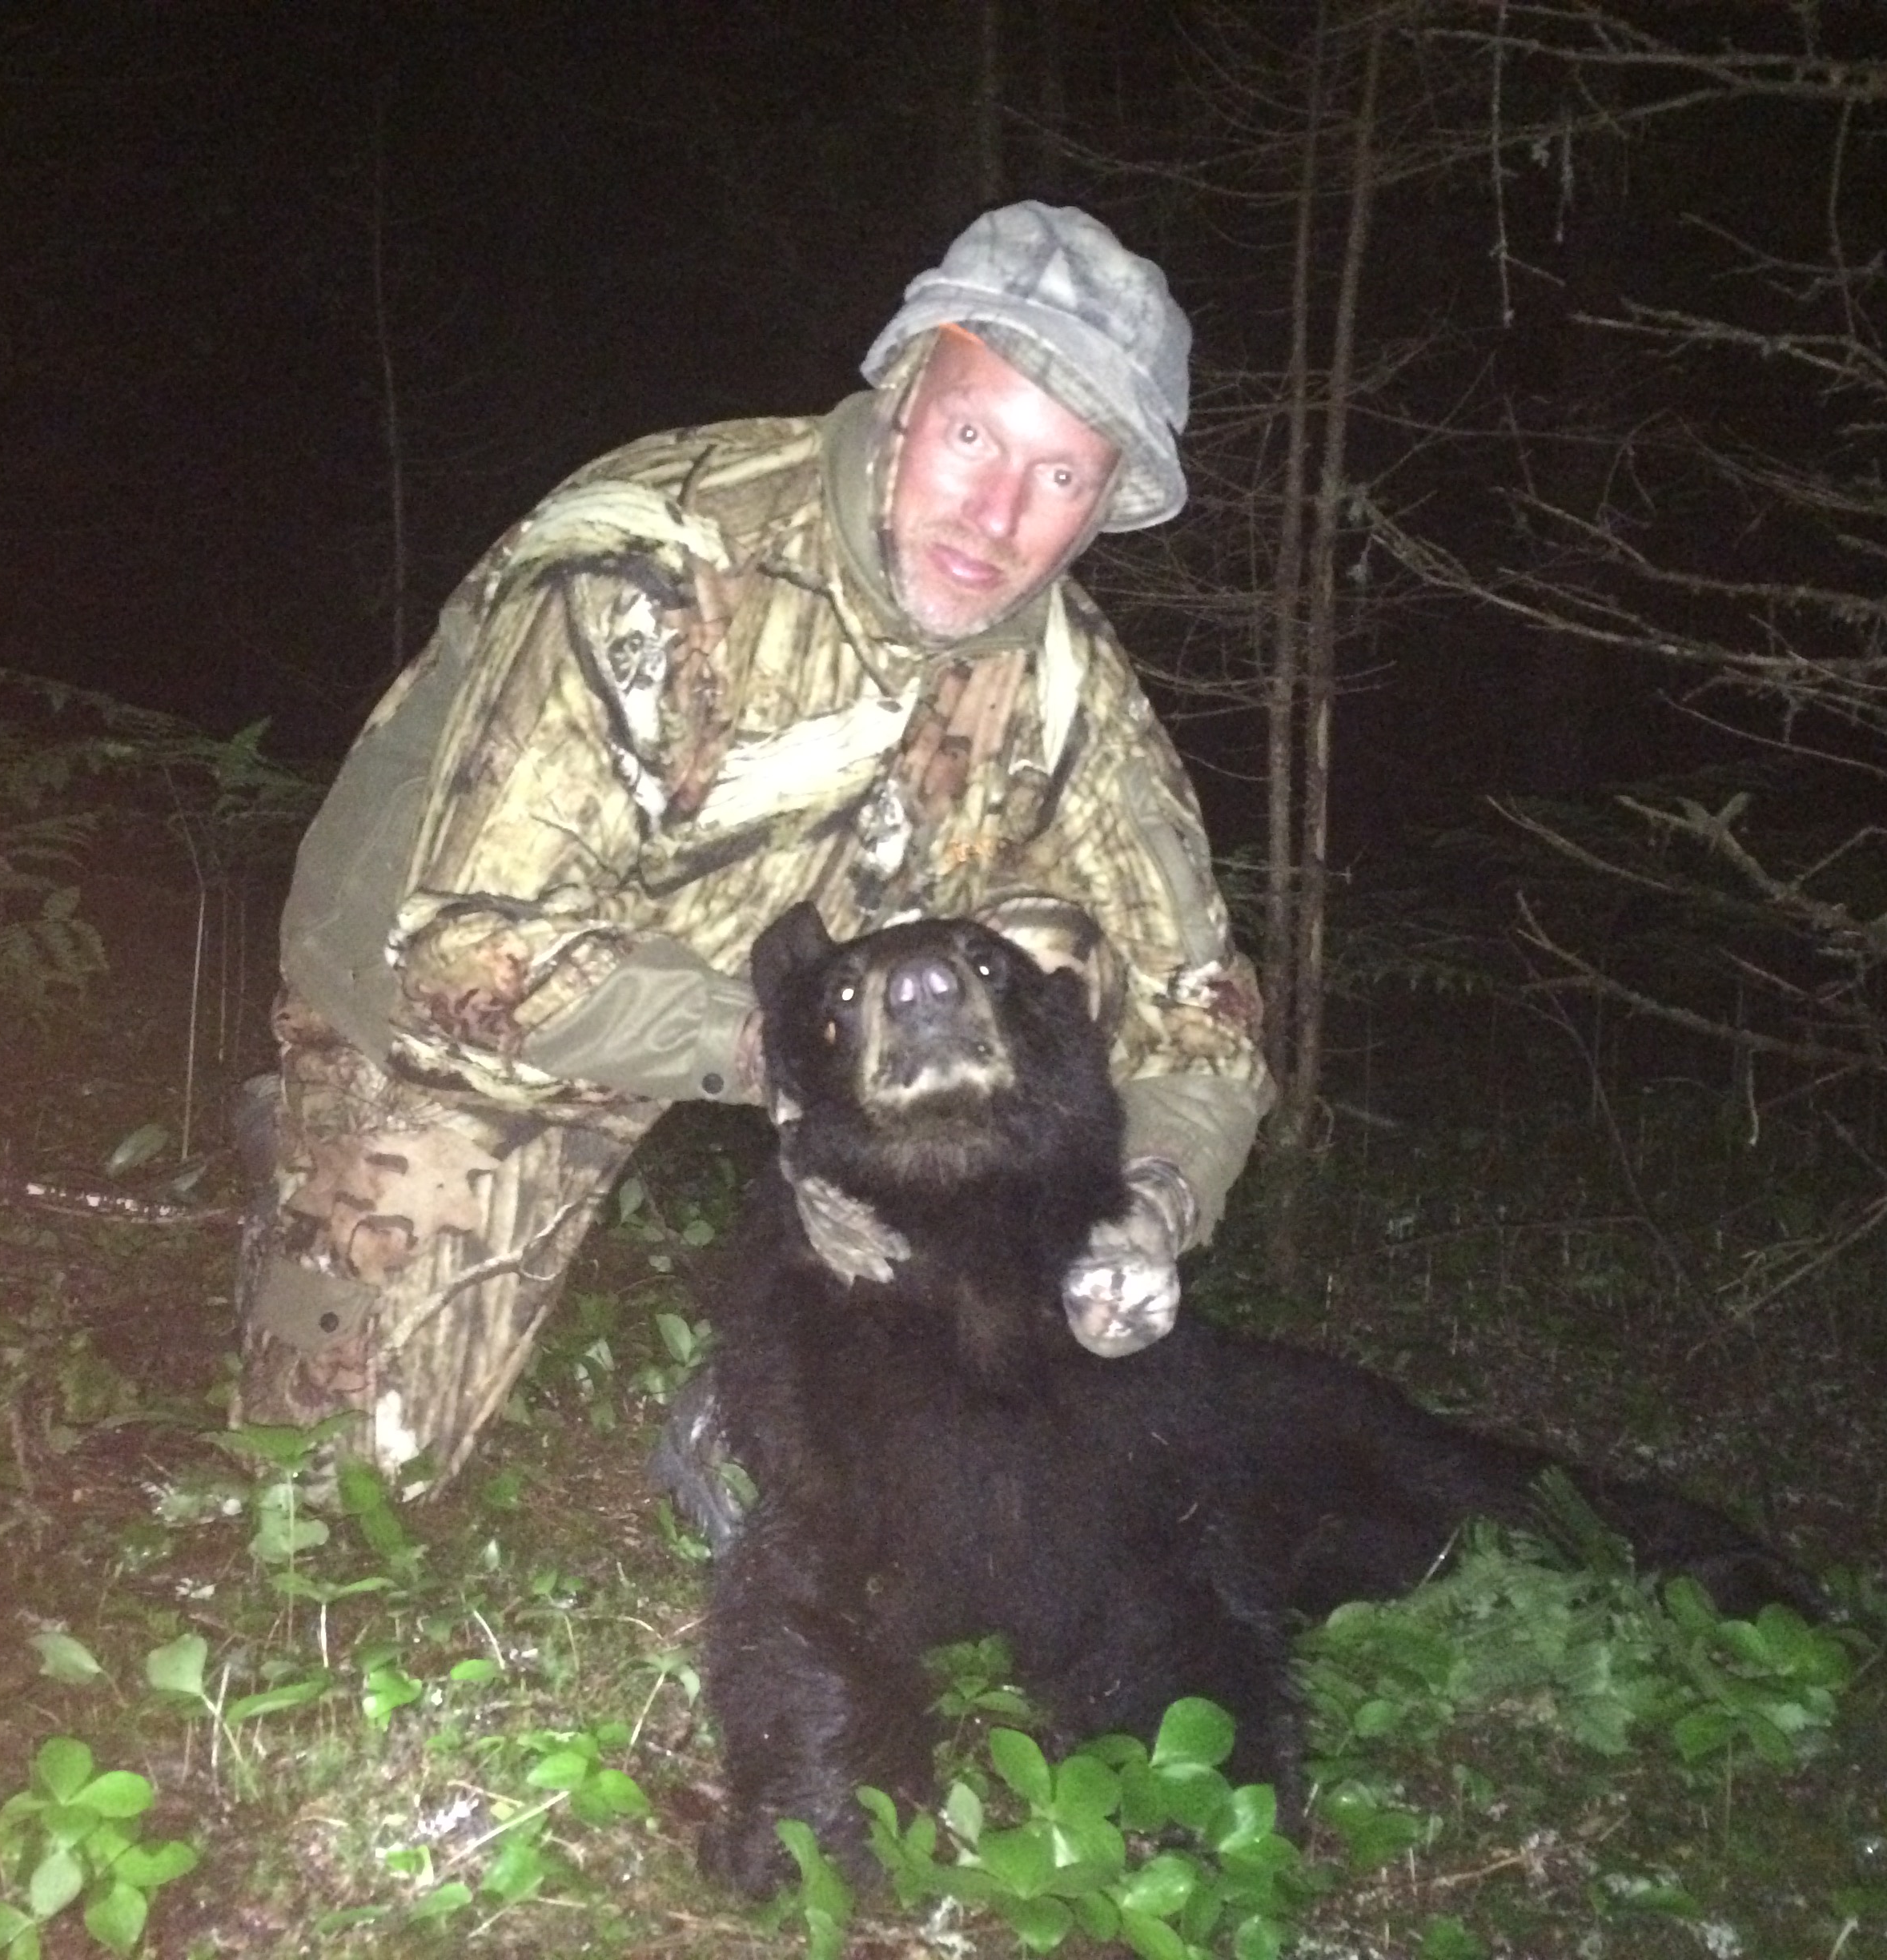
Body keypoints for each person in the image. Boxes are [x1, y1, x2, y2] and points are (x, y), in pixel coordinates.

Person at [239, 202, 1269, 1490]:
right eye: (973, 436)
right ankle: (317, 1151)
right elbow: (470, 948)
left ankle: (793, 1400)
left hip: (802, 1021)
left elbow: (1198, 1011)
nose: (997, 514)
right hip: (462, 1022)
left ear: (1104, 505)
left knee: (1050, 958)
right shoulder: (652, 561)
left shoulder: (1071, 690)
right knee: (334, 1488)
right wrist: (785, 1061)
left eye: (1061, 477)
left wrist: (1151, 1200)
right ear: (905, 395)